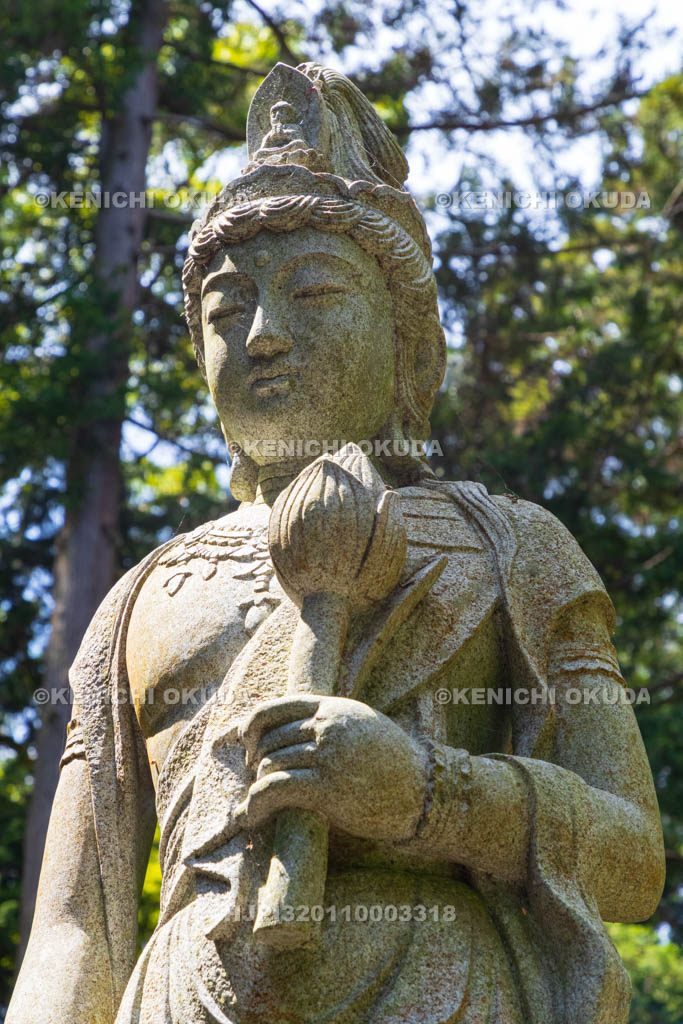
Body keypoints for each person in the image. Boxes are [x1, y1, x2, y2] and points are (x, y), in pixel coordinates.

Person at [8, 62, 664, 1024]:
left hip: (437, 987)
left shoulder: (511, 546)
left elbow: (632, 859)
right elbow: (74, 930)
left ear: (408, 342)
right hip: (186, 995)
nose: (262, 336)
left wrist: (426, 794)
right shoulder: (143, 597)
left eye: (312, 293)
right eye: (226, 310)